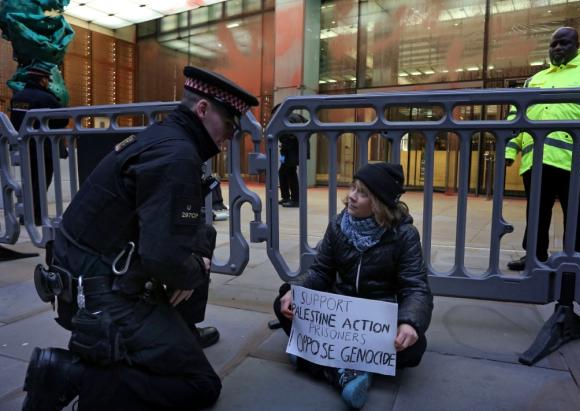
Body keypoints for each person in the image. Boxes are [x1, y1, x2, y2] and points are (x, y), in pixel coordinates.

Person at [22, 66, 258, 410]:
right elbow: (163, 259)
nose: (230, 137)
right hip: (100, 296)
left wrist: (190, 262)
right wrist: (196, 268)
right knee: (201, 384)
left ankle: (176, 332)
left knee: (200, 236)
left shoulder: (163, 136)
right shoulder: (177, 156)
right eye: (230, 125)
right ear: (203, 110)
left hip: (85, 275)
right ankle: (70, 375)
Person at [273, 163, 433, 409]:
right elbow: (320, 271)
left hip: (377, 319)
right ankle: (347, 370)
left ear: (379, 203)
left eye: (362, 192)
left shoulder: (404, 235)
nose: (351, 196)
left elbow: (416, 288)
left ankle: (317, 361)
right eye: (353, 188)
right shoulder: (339, 225)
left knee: (415, 347)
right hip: (340, 316)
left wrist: (409, 322)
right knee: (283, 303)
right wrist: (295, 289)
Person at [505, 26, 580, 271]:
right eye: (553, 44)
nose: (557, 48)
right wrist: (510, 150)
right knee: (536, 213)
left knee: (578, 214)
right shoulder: (534, 79)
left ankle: (576, 259)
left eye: (564, 43)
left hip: (577, 159)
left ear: (578, 45)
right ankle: (534, 257)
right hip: (536, 159)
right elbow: (517, 116)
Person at [10, 62, 68, 226]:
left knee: (28, 182)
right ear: (42, 80)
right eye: (47, 80)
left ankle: (26, 215)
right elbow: (63, 119)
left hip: (24, 147)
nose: (48, 83)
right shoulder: (46, 98)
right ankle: (37, 216)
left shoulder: (18, 97)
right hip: (44, 148)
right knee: (41, 182)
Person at [275, 106, 307, 208]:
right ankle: (286, 197)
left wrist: (286, 144)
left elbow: (285, 135)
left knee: (290, 172)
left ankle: (295, 199)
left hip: (290, 151)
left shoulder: (285, 118)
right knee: (283, 171)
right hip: (291, 150)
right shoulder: (296, 116)